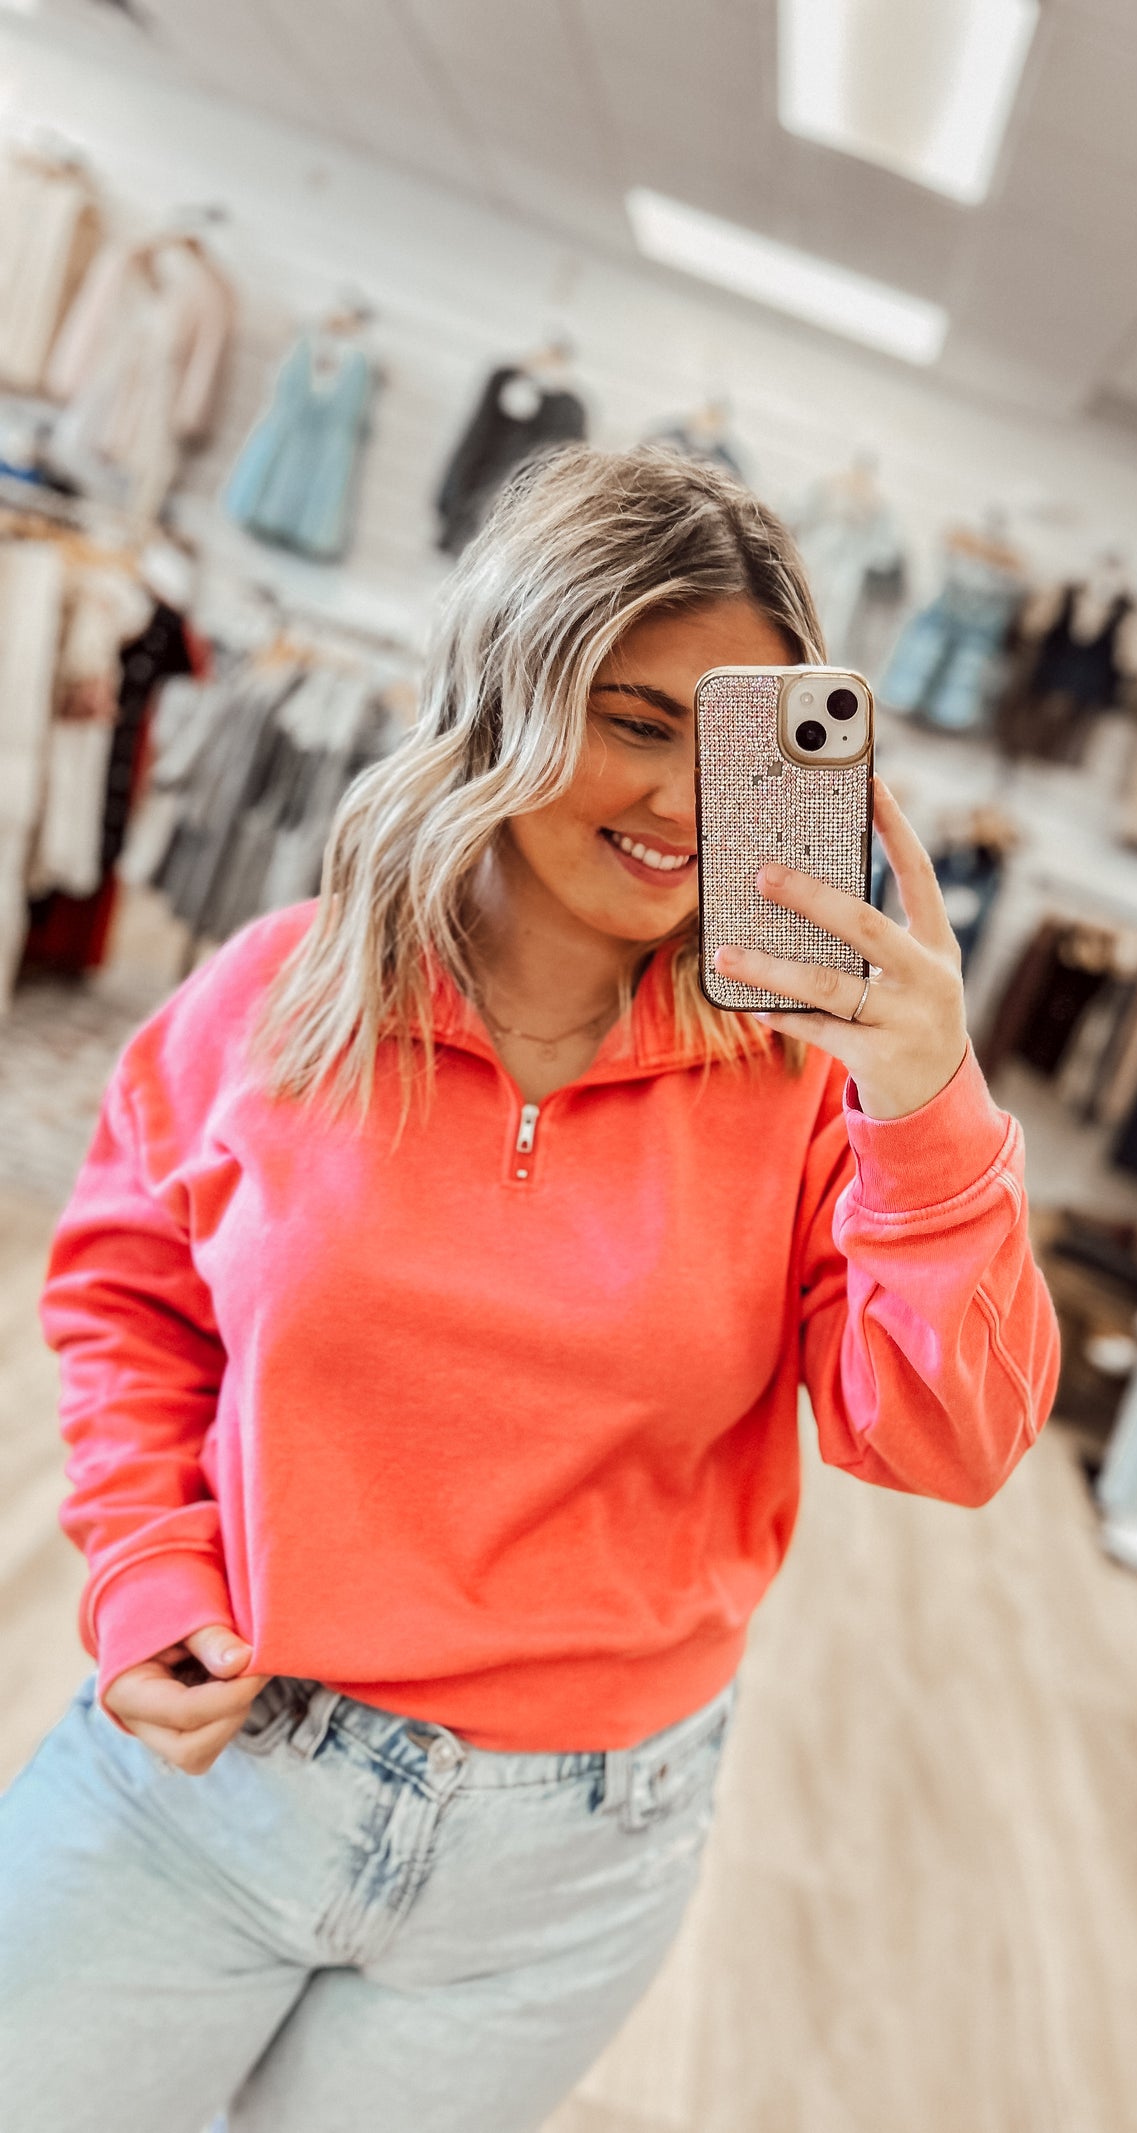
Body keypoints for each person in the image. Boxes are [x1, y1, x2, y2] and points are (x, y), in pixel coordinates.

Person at [0, 446, 1059, 2131]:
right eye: (636, 722)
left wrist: (930, 1105)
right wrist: (142, 1559)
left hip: (566, 1864)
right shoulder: (279, 993)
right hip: (219, 1770)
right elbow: (132, 1293)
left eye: (731, 746)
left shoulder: (809, 1087)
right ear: (505, 690)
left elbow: (953, 1439)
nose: (682, 805)